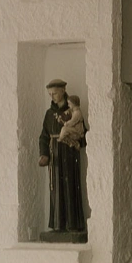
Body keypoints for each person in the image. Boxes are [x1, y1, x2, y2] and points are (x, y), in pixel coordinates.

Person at [38, 80, 86, 238]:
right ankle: (58, 224)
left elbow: (82, 133)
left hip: (70, 153)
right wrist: (44, 154)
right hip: (55, 155)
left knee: (70, 186)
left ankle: (73, 224)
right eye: (50, 94)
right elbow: (44, 136)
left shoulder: (73, 111)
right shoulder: (49, 114)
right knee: (56, 188)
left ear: (64, 91)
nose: (52, 97)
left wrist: (76, 140)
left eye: (55, 93)